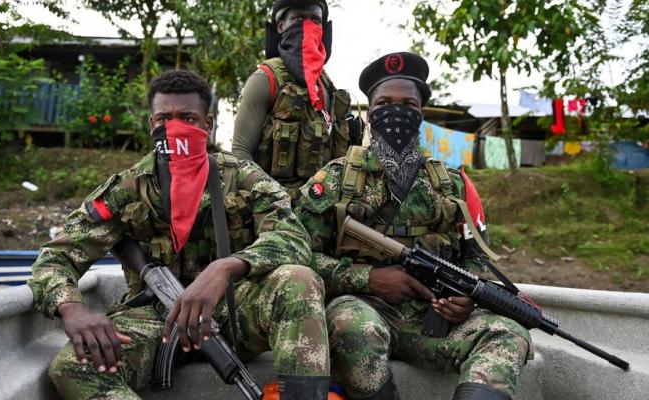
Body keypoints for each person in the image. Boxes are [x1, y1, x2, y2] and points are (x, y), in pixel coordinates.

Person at [28, 70, 331, 400]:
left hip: (232, 310)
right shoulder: (127, 189)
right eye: (164, 119)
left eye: (187, 118)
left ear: (207, 124)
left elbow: (294, 238)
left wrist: (227, 267)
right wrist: (73, 309)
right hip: (155, 319)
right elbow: (57, 256)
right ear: (151, 124)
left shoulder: (242, 177)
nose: (174, 128)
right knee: (73, 366)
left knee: (298, 279)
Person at [295, 52, 533, 400]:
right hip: (363, 309)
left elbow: (474, 256)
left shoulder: (452, 184)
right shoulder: (334, 178)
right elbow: (300, 257)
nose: (396, 111)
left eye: (408, 104)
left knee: (508, 332)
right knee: (351, 325)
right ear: (370, 111)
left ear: (420, 114)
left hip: (434, 318)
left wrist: (462, 298)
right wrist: (369, 279)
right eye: (384, 103)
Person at [231, 0, 358, 198]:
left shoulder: (327, 84)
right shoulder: (266, 79)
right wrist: (275, 201)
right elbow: (240, 154)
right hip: (276, 213)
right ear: (280, 25)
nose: (308, 26)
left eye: (315, 20)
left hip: (322, 207)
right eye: (298, 18)